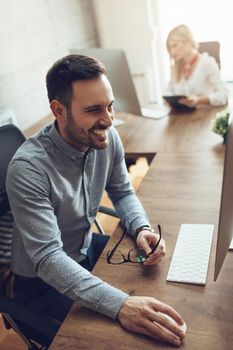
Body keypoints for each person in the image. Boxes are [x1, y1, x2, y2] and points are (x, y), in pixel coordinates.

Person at [6, 55, 185, 347]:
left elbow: (123, 192)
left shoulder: (105, 137)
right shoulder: (28, 169)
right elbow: (49, 260)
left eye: (110, 106)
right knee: (121, 339)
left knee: (165, 287)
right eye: (93, 110)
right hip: (41, 284)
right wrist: (121, 305)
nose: (108, 119)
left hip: (85, 250)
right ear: (59, 110)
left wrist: (141, 228)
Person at [165, 24, 228, 107]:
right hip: (180, 116)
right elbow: (168, 91)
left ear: (189, 41)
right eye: (170, 48)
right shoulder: (176, 66)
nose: (172, 52)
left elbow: (225, 95)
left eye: (175, 45)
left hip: (203, 116)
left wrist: (200, 100)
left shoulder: (207, 62)